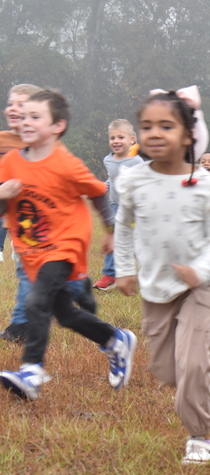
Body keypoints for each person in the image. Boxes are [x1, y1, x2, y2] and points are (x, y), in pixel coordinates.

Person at [115, 89, 210, 465]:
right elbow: (124, 226)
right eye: (147, 126)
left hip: (197, 287)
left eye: (167, 125)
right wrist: (126, 269)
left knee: (193, 362)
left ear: (187, 136)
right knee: (166, 370)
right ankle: (189, 388)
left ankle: (199, 434)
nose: (155, 133)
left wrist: (201, 271)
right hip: (154, 289)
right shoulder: (135, 181)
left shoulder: (206, 185)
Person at [0, 89, 137, 401]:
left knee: (35, 302)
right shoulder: (9, 163)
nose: (26, 121)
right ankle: (116, 340)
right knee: (65, 315)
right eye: (24, 116)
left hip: (64, 246)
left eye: (36, 116)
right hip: (33, 253)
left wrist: (110, 230)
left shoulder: (65, 163)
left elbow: (97, 192)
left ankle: (31, 372)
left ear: (57, 125)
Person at [0, 84, 95, 344]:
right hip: (18, 224)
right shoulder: (3, 141)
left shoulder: (52, 148)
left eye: (24, 105)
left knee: (29, 273)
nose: (15, 110)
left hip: (49, 228)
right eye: (12, 103)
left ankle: (20, 326)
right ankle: (79, 282)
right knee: (35, 273)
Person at [92, 119, 144, 291]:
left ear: (132, 140)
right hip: (114, 207)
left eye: (121, 137)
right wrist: (103, 186)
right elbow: (112, 179)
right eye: (112, 138)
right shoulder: (108, 160)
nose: (116, 141)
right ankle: (110, 274)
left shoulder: (136, 162)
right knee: (113, 241)